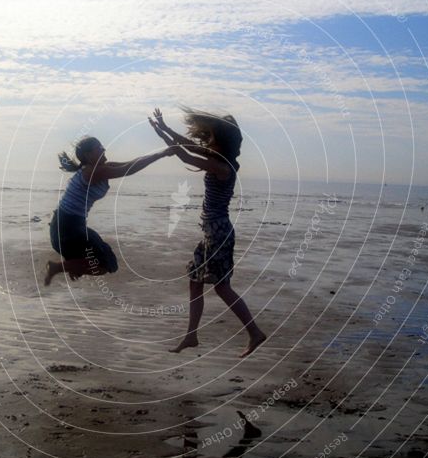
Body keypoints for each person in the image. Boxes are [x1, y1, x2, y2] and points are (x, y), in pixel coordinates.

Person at [149, 107, 267, 357]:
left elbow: (187, 156)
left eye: (211, 137)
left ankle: (255, 333)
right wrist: (165, 130)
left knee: (222, 287)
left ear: (221, 142)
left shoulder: (223, 167)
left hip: (219, 233)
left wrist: (166, 142)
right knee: (194, 282)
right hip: (210, 233)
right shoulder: (218, 161)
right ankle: (191, 336)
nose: (207, 141)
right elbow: (190, 148)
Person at [45, 136, 176, 285]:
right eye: (99, 148)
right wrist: (162, 154)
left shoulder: (101, 169)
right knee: (103, 265)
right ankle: (58, 267)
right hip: (67, 228)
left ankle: (69, 265)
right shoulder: (92, 172)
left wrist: (163, 152)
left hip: (70, 226)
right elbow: (128, 170)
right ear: (88, 155)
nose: (104, 149)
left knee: (106, 263)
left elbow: (133, 162)